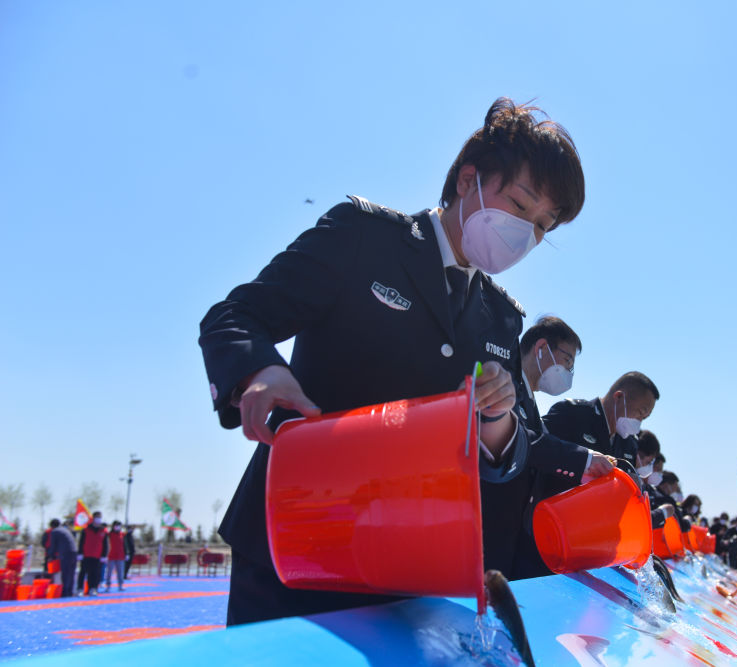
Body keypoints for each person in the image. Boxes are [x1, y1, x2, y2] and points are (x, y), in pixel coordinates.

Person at [199, 98, 586, 625]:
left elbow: (509, 452)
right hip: (294, 545)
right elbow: (235, 315)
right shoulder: (364, 236)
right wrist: (260, 371)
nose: (526, 235)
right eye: (520, 205)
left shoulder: (501, 317)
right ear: (468, 179)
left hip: (408, 572)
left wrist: (497, 420)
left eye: (542, 226)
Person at [488, 316, 614, 579]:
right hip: (488, 529)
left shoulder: (529, 400)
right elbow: (520, 438)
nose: (569, 372)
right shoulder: (504, 381)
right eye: (567, 361)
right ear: (541, 348)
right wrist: (584, 460)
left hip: (512, 537)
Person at [543, 371, 660, 472]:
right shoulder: (571, 413)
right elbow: (542, 452)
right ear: (618, 397)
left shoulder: (629, 444)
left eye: (645, 417)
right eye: (640, 412)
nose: (639, 421)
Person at [76, 512, 108, 596]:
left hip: (97, 556)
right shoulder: (86, 530)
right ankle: (80, 589)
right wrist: (80, 553)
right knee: (83, 572)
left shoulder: (103, 531)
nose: (98, 519)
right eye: (97, 517)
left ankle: (93, 588)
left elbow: (105, 544)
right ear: (93, 518)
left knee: (95, 573)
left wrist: (104, 555)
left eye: (99, 518)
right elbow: (81, 542)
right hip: (86, 555)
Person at [45, 519, 77, 597]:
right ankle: (70, 591)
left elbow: (53, 545)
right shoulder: (65, 530)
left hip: (66, 553)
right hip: (74, 552)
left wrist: (50, 556)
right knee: (71, 573)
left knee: (65, 572)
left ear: (52, 526)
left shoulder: (55, 531)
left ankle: (65, 592)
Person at [104, 521, 126, 592]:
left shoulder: (122, 534)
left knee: (120, 572)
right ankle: (108, 586)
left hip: (120, 556)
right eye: (116, 525)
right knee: (109, 572)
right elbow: (104, 533)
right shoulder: (110, 534)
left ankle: (120, 585)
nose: (117, 527)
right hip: (111, 556)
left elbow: (125, 545)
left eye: (118, 525)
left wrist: (126, 553)